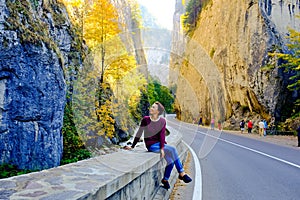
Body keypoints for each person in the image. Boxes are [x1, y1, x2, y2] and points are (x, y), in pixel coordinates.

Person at [124, 101, 192, 189]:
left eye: (153, 107)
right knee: (173, 149)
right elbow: (139, 133)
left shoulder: (162, 121)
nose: (151, 108)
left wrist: (162, 148)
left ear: (158, 112)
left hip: (160, 144)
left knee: (170, 162)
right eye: (151, 107)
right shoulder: (145, 119)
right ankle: (182, 173)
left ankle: (165, 180)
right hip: (151, 145)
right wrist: (132, 146)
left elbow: (162, 135)